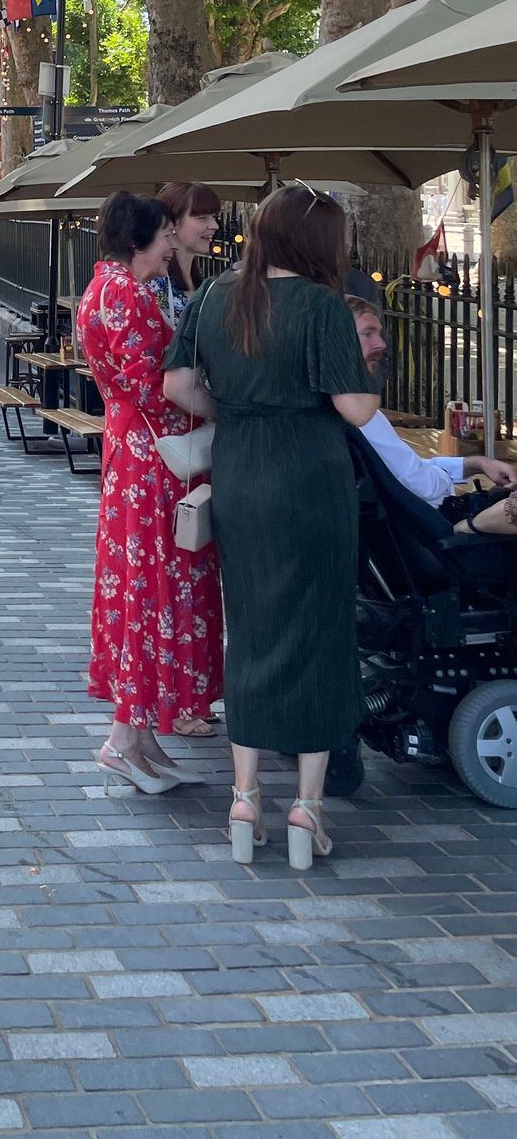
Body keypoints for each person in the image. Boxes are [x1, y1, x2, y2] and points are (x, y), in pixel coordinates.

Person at [163, 184, 381, 871]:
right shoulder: (322, 305)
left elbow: (176, 386)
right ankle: (306, 809)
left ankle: (245, 797)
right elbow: (357, 409)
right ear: (317, 242)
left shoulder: (214, 296)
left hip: (241, 474)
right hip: (310, 477)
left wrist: (236, 407)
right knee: (321, 632)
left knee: (250, 628)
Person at [76, 192, 225, 792]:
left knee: (140, 587)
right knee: (151, 588)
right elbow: (158, 388)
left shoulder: (105, 287)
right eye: (164, 235)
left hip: (133, 453)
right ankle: (122, 739)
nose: (171, 245)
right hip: (152, 459)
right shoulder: (129, 295)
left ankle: (139, 735)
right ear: (139, 240)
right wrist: (221, 410)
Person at [348, 296, 517, 533]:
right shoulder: (359, 414)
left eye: (378, 333)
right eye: (368, 334)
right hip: (439, 528)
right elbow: (419, 484)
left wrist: (475, 463)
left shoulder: (341, 409)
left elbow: (406, 470)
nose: (381, 344)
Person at [153, 182, 223, 326]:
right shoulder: (154, 284)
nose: (214, 226)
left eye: (214, 217)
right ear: (173, 222)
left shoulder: (201, 282)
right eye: (202, 218)